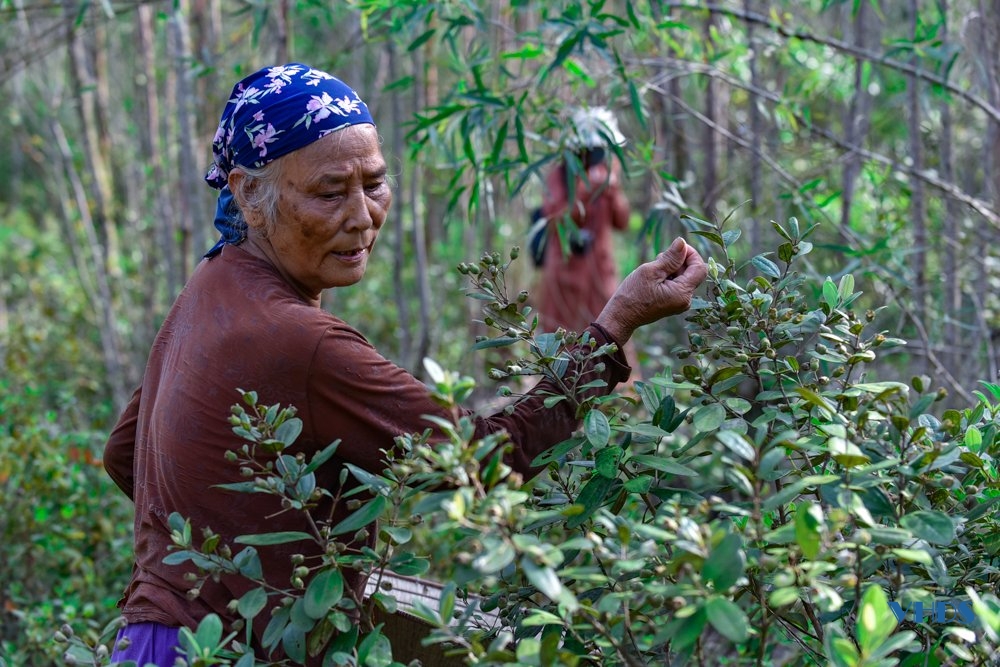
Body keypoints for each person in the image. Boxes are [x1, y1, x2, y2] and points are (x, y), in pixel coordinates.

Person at [102, 63, 707, 665]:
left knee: (488, 629)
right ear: (247, 195)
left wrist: (257, 557)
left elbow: (123, 454)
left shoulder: (209, 286)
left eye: (375, 184)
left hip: (154, 640)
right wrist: (614, 328)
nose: (363, 215)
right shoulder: (300, 340)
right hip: (221, 648)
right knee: (544, 644)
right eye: (330, 192)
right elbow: (484, 455)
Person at [535, 107, 640, 370]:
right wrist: (585, 188)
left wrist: (612, 191)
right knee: (561, 339)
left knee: (610, 332)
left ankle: (618, 396)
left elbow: (622, 221)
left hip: (601, 274)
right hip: (565, 272)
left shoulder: (608, 173)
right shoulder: (561, 174)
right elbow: (555, 217)